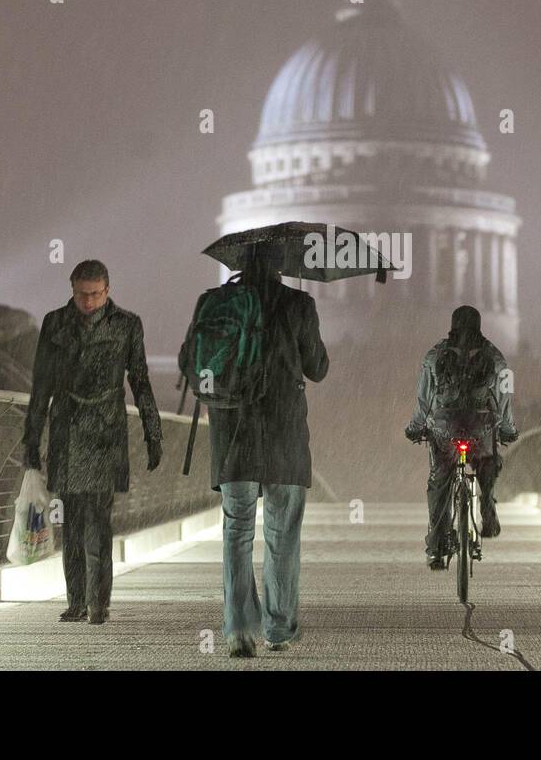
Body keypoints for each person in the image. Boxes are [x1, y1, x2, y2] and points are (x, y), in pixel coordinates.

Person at [180, 248, 328, 658]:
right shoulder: (298, 304)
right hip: (284, 437)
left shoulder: (216, 303)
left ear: (240, 264)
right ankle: (279, 629)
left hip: (233, 435)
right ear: (280, 266)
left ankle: (239, 628)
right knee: (282, 535)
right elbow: (317, 367)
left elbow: (186, 360)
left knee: (236, 532)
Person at [22, 259, 164, 624]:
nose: (89, 301)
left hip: (105, 431)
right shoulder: (55, 324)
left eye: (96, 294)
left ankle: (98, 603)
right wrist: (31, 440)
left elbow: (141, 380)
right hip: (67, 428)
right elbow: (41, 385)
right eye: (83, 294)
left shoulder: (127, 324)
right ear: (73, 290)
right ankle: (77, 601)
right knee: (70, 519)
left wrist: (153, 432)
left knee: (99, 520)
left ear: (107, 290)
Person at [405, 305, 519, 569]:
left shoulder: (435, 354)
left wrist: (416, 426)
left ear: (452, 325)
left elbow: (424, 397)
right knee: (488, 465)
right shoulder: (495, 356)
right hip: (481, 426)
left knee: (440, 483)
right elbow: (504, 399)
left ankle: (436, 546)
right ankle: (488, 510)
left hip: (446, 427)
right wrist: (507, 429)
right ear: (479, 325)